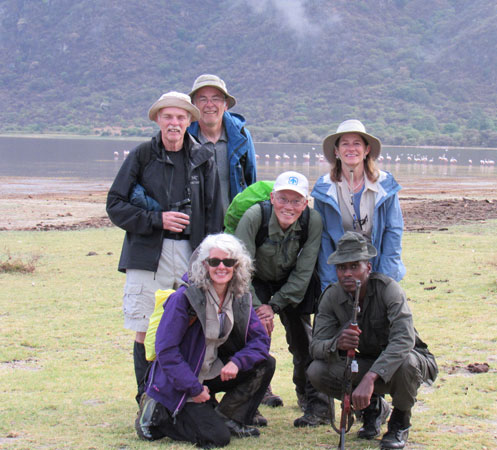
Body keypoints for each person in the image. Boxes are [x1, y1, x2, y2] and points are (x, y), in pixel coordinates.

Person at [106, 91, 224, 403]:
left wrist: (211, 262)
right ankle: (145, 397)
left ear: (189, 121)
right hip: (147, 255)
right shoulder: (142, 155)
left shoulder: (203, 158)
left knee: (189, 323)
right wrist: (157, 219)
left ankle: (182, 395)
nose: (174, 123)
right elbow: (115, 204)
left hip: (191, 254)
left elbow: (215, 215)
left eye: (181, 117)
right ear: (158, 119)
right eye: (168, 116)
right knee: (145, 326)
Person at [135, 233, 274, 448]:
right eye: (214, 261)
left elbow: (261, 341)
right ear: (204, 265)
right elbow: (166, 351)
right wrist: (193, 389)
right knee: (216, 438)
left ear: (237, 266)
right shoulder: (183, 298)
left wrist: (237, 362)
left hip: (211, 370)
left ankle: (229, 417)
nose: (221, 267)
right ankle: (157, 418)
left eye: (228, 262)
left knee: (265, 363)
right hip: (182, 378)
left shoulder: (238, 296)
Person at [307, 231, 438, 449]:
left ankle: (399, 423)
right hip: (363, 362)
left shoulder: (389, 290)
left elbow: (404, 341)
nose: (347, 274)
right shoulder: (331, 296)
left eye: (354, 266)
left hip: (404, 361)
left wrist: (370, 378)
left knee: (406, 364)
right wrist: (337, 343)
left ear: (367, 267)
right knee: (317, 371)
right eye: (341, 268)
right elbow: (316, 346)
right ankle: (372, 409)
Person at [234, 171, 330, 427]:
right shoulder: (255, 216)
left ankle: (313, 402)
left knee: (304, 340)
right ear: (272, 197)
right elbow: (241, 269)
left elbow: (305, 269)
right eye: (283, 199)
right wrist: (258, 308)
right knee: (251, 336)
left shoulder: (313, 221)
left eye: (296, 201)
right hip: (254, 280)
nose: (289, 206)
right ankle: (251, 401)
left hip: (291, 282)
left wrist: (276, 304)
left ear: (305, 202)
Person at [311, 119, 406, 290]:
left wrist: (385, 279)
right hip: (341, 266)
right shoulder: (324, 188)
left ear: (367, 150)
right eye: (345, 144)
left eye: (357, 143)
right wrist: (331, 284)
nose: (351, 148)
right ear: (336, 151)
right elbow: (323, 239)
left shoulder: (385, 184)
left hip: (376, 262)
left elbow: (393, 231)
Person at [187, 74, 257, 212]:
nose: (209, 105)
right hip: (195, 225)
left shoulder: (242, 136)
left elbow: (251, 182)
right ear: (194, 105)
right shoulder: (184, 137)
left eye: (216, 98)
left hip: (232, 224)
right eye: (202, 99)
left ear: (225, 105)